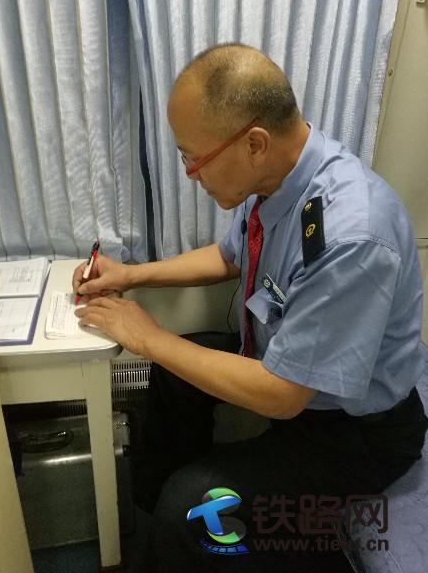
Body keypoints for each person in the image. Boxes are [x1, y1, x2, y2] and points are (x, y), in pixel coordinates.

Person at [72, 43, 428, 572]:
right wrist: (131, 275)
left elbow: (282, 396)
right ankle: (160, 527)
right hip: (292, 379)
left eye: (194, 158)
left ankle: (181, 521)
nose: (190, 173)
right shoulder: (279, 181)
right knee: (171, 379)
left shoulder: (351, 235)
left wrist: (147, 336)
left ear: (255, 143)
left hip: (356, 433)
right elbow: (228, 255)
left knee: (192, 507)